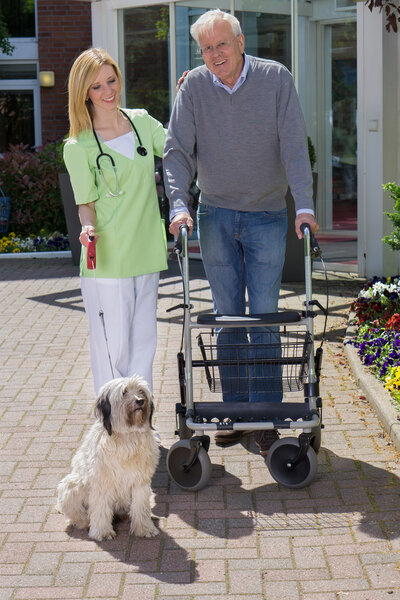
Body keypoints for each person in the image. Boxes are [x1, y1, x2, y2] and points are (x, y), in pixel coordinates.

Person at [163, 10, 318, 453]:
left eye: (221, 45)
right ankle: (233, 413)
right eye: (206, 48)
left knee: (265, 317)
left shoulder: (275, 79)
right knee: (226, 317)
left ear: (241, 41)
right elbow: (176, 151)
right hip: (214, 214)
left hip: (268, 213)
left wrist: (303, 205)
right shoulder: (193, 86)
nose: (214, 55)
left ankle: (266, 415)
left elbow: (293, 142)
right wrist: (179, 204)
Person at [64, 47, 167, 396]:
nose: (108, 91)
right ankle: (113, 427)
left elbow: (177, 146)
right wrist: (86, 227)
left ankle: (141, 425)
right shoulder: (78, 145)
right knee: (113, 349)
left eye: (112, 80)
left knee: (144, 344)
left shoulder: (141, 122)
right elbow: (85, 204)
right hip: (107, 258)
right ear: (83, 93)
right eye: (96, 87)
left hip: (146, 250)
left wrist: (186, 99)